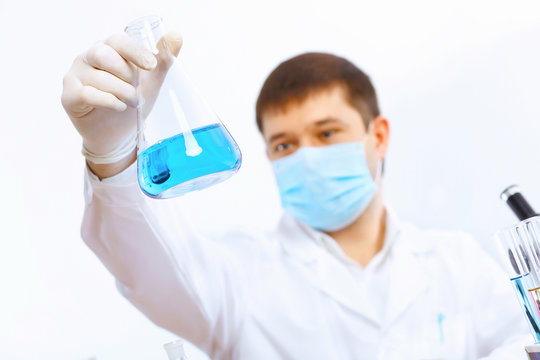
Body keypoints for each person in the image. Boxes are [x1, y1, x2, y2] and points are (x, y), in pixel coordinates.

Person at [61, 30, 530, 360]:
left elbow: (523, 341)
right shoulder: (237, 275)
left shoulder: (457, 263)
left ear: (379, 136)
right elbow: (141, 261)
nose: (306, 156)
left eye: (327, 134)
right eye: (285, 144)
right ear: (267, 154)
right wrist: (112, 150)